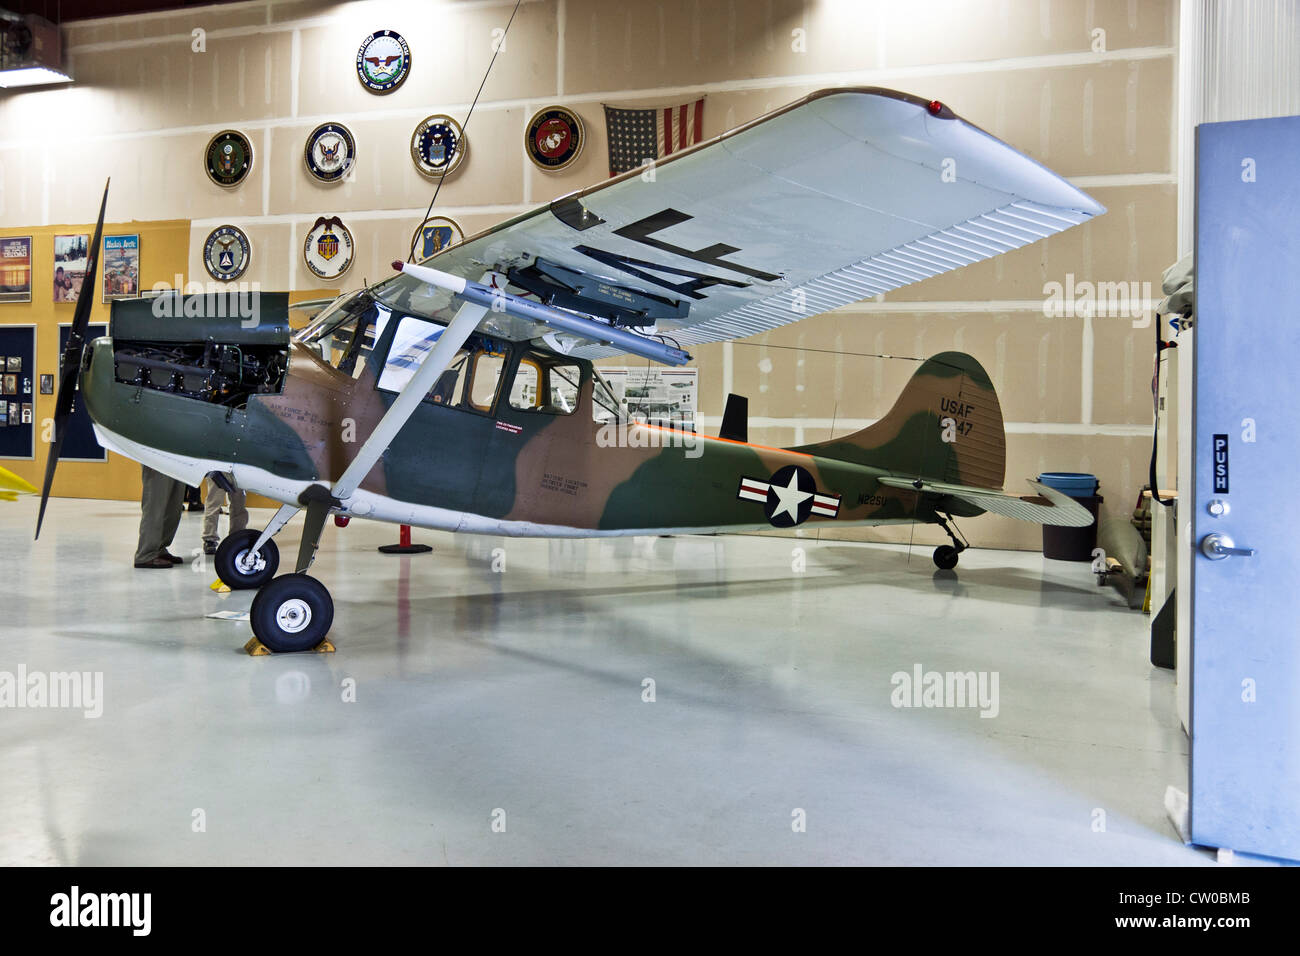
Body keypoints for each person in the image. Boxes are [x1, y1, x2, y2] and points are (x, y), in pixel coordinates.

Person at [135, 465, 186, 568]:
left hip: (178, 458)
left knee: (174, 507)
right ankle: (146, 554)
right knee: (155, 507)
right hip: (157, 458)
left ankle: (159, 550)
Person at [202, 475, 248, 554]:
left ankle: (236, 537)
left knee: (239, 505)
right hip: (218, 467)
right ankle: (209, 540)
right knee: (214, 503)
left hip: (239, 468)